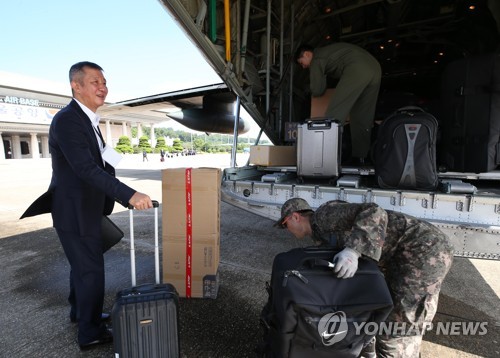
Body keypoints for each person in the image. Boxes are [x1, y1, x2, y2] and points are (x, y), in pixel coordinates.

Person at [47, 61, 153, 350]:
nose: (102, 87)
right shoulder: (69, 120)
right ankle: (89, 332)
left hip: (86, 208)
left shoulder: (87, 120)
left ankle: (81, 313)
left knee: (81, 266)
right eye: (94, 82)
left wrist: (116, 192)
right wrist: (129, 194)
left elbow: (102, 164)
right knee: (90, 270)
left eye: (103, 82)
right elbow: (86, 169)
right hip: (75, 211)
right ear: (76, 86)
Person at [275, 198, 454, 358]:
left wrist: (354, 250)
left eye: (284, 225)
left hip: (424, 250)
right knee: (386, 309)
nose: (286, 230)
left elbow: (374, 211)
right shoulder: (320, 235)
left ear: (295, 217)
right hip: (402, 256)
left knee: (400, 325)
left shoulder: (324, 215)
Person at [295, 43, 382, 164]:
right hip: (375, 68)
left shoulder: (316, 59)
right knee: (361, 117)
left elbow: (317, 90)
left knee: (333, 115)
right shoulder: (329, 52)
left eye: (301, 62)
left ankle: (325, 158)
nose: (303, 67)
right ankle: (362, 157)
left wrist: (311, 86)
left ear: (307, 54)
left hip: (357, 68)